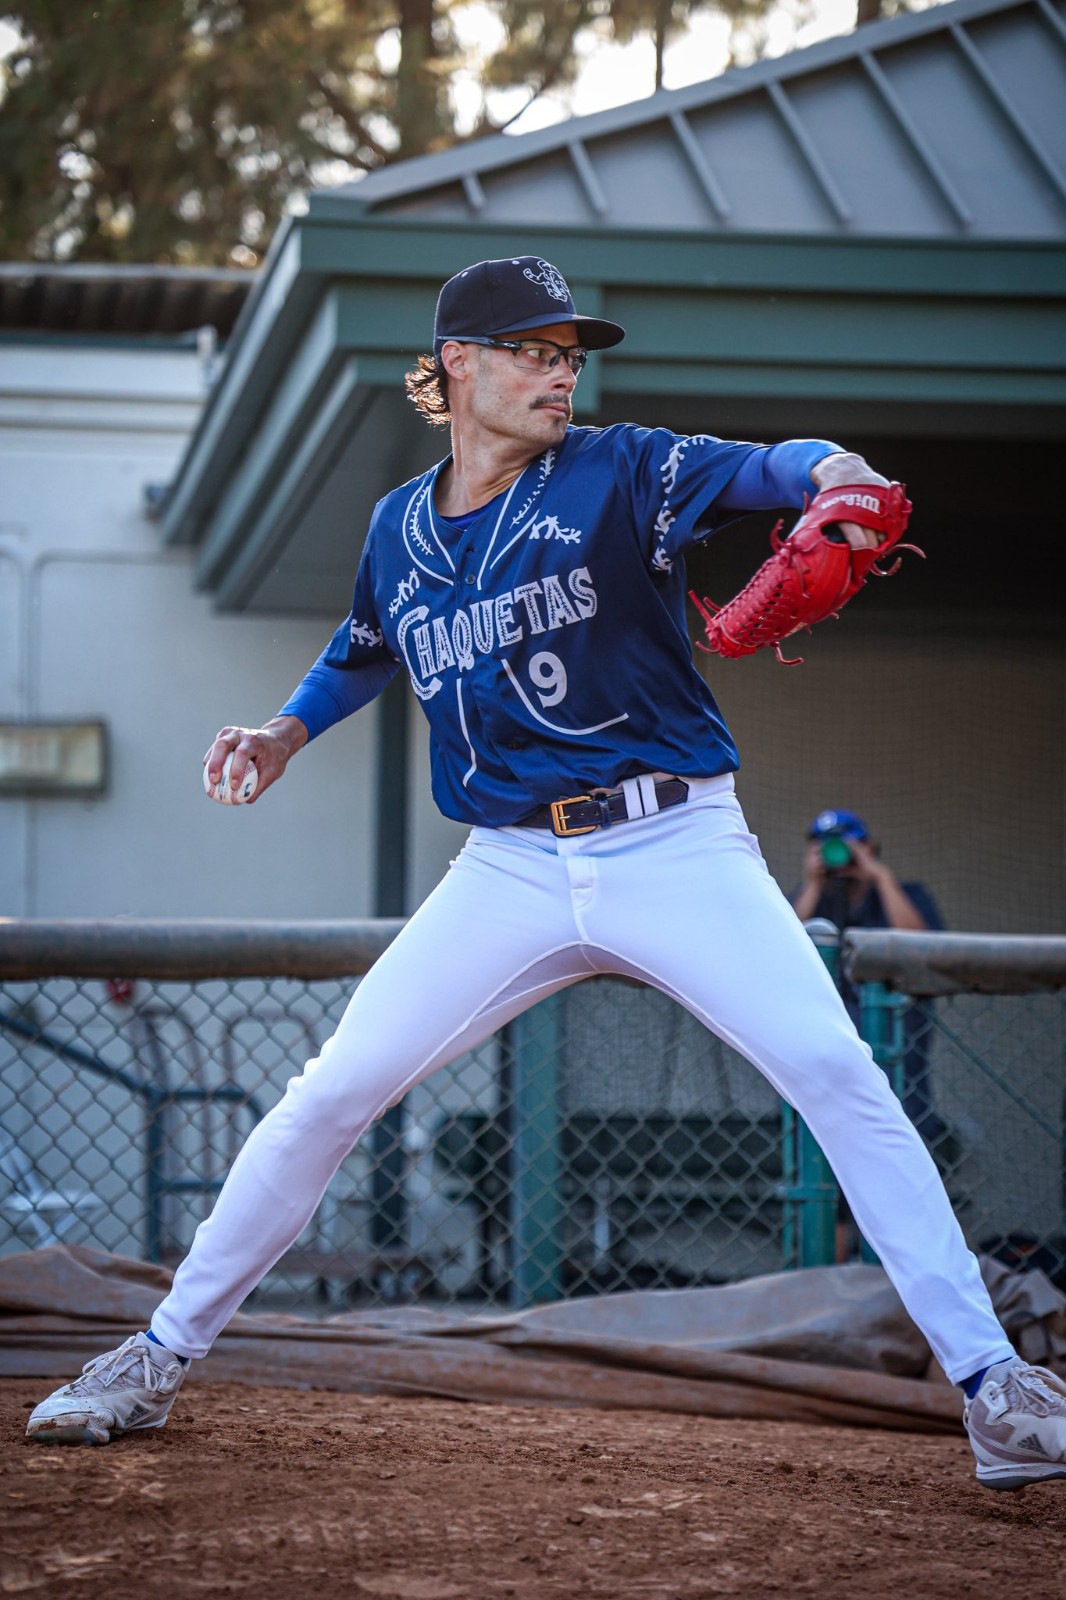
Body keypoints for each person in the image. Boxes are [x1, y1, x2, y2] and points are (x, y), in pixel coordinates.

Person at [26, 255, 1066, 1489]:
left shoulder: (622, 468)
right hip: (508, 864)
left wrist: (834, 471)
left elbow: (770, 467)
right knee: (330, 1092)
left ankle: (994, 1387)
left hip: (673, 842)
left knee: (838, 1072)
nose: (560, 373)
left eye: (568, 355)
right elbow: (364, 646)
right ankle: (154, 1354)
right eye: (532, 350)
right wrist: (284, 732)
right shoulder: (398, 527)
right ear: (457, 363)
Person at [792, 808, 947, 1143]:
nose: (838, 856)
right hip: (828, 1055)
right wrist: (813, 884)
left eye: (845, 846)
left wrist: (879, 876)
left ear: (870, 848)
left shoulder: (906, 894)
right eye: (825, 847)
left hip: (898, 1046)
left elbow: (922, 946)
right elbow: (781, 949)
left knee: (905, 1127)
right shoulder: (809, 901)